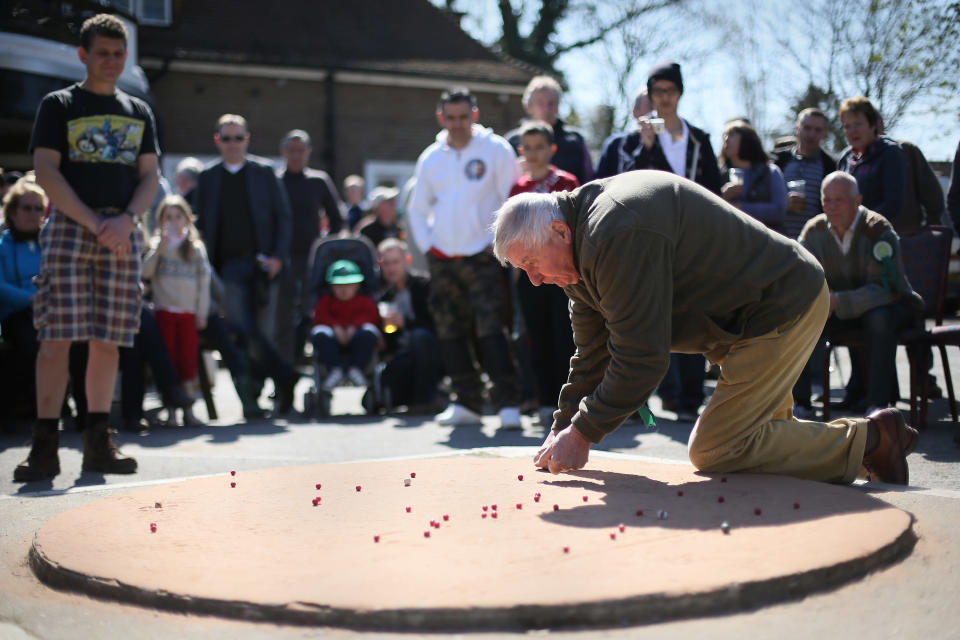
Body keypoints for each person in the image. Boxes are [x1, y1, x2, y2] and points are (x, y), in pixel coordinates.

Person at [492, 171, 919, 485]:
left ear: (559, 230)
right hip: (744, 321)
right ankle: (862, 447)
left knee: (717, 448)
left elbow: (641, 358)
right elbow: (592, 355)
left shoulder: (615, 233)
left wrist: (582, 433)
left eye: (530, 263)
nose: (533, 280)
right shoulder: (578, 260)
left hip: (779, 305)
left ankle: (874, 440)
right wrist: (560, 427)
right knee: (761, 450)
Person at [16, 13, 160, 481]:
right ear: (84, 55)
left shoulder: (138, 111)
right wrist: (95, 221)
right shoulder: (59, 105)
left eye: (119, 54)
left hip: (121, 232)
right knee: (56, 337)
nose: (112, 62)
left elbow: (150, 177)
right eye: (103, 53)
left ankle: (99, 444)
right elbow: (46, 172)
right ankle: (44, 447)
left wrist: (126, 219)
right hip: (72, 229)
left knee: (109, 340)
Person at [407, 87, 523, 429]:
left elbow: (512, 198)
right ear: (441, 118)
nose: (457, 124)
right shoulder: (431, 157)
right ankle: (467, 402)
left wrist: (495, 242)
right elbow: (417, 208)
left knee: (491, 329)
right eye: (450, 118)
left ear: (474, 114)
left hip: (483, 256)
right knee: (449, 330)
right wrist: (429, 244)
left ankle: (508, 403)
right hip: (443, 258)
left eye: (463, 117)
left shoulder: (497, 149)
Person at [620, 61, 724, 421]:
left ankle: (688, 398)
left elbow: (713, 187)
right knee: (652, 315)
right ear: (649, 97)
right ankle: (655, 393)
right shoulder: (637, 140)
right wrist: (647, 146)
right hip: (652, 239)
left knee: (691, 313)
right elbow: (627, 185)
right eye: (657, 92)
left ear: (679, 93)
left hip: (692, 238)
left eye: (670, 91)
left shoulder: (698, 139)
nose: (664, 99)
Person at [192, 113, 298, 415]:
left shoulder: (264, 172)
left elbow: (283, 217)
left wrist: (278, 256)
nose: (233, 144)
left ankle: (260, 389)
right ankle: (283, 374)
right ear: (217, 141)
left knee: (262, 330)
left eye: (238, 137)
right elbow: (198, 223)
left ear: (247, 139)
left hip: (265, 266)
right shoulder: (208, 177)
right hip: (228, 268)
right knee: (242, 327)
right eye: (227, 138)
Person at [798, 171, 923, 414]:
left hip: (893, 305)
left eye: (839, 199)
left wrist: (837, 301)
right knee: (800, 319)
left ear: (858, 201)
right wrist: (821, 302)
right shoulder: (813, 231)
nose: (831, 206)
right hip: (838, 308)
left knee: (878, 318)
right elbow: (802, 278)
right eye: (827, 200)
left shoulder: (878, 230)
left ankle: (878, 406)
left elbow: (886, 289)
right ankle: (800, 404)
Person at [509, 120, 579, 426]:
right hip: (530, 276)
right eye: (528, 147)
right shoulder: (518, 189)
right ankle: (545, 400)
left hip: (562, 273)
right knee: (536, 337)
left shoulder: (567, 182)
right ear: (521, 150)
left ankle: (572, 400)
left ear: (552, 149)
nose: (534, 153)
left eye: (540, 147)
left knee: (565, 335)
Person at [274, 129, 344, 364]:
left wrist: (325, 246)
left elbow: (337, 219)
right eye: (291, 151)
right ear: (283, 152)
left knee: (308, 313)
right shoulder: (275, 182)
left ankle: (304, 361)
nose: (296, 156)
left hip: (312, 259)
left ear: (308, 153)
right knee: (282, 317)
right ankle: (283, 372)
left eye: (300, 151)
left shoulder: (318, 181)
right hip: (282, 259)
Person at [141, 195, 210, 426]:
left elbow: (204, 282)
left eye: (178, 216)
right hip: (164, 311)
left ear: (187, 219)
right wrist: (158, 249)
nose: (173, 221)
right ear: (160, 220)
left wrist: (202, 311)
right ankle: (171, 410)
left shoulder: (196, 248)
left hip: (188, 312)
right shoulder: (157, 246)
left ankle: (188, 410)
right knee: (168, 359)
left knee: (187, 360)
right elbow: (145, 272)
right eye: (167, 217)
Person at [376, 238, 444, 412]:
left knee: (419, 337)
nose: (391, 268)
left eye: (395, 262)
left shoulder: (424, 286)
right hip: (404, 355)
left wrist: (405, 323)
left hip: (433, 351)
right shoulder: (384, 297)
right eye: (386, 263)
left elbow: (437, 325)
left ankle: (426, 399)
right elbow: (389, 341)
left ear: (407, 261)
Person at [506, 75, 593, 185]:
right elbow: (502, 185)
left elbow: (589, 180)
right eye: (540, 103)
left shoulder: (576, 140)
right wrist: (515, 172)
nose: (546, 109)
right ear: (528, 107)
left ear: (558, 106)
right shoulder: (513, 141)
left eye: (551, 103)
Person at [311, 259, 380, 390]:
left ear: (358, 285)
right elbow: (319, 317)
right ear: (331, 286)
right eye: (339, 285)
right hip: (334, 342)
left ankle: (357, 370)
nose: (344, 289)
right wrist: (335, 326)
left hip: (357, 341)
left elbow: (373, 317)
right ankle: (335, 370)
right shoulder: (326, 302)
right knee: (319, 333)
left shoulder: (365, 302)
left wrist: (354, 326)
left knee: (369, 333)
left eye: (349, 284)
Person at [837, 96, 905, 220]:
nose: (852, 131)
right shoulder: (845, 158)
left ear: (872, 125)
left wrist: (860, 223)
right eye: (847, 126)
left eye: (858, 124)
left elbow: (892, 203)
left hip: (879, 233)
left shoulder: (890, 153)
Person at [774, 108, 837, 239]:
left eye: (818, 130)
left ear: (824, 133)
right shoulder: (778, 160)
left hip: (816, 243)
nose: (811, 134)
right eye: (807, 128)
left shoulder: (831, 165)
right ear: (797, 128)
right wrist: (783, 203)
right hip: (778, 240)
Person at [718, 120, 788, 234]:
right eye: (725, 136)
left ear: (747, 140)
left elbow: (779, 211)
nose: (726, 139)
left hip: (765, 242)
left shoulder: (771, 172)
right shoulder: (718, 174)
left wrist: (740, 208)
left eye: (732, 135)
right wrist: (723, 196)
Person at [595, 88, 654, 179]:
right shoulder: (616, 143)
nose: (655, 112)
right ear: (635, 112)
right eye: (650, 106)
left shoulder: (670, 141)